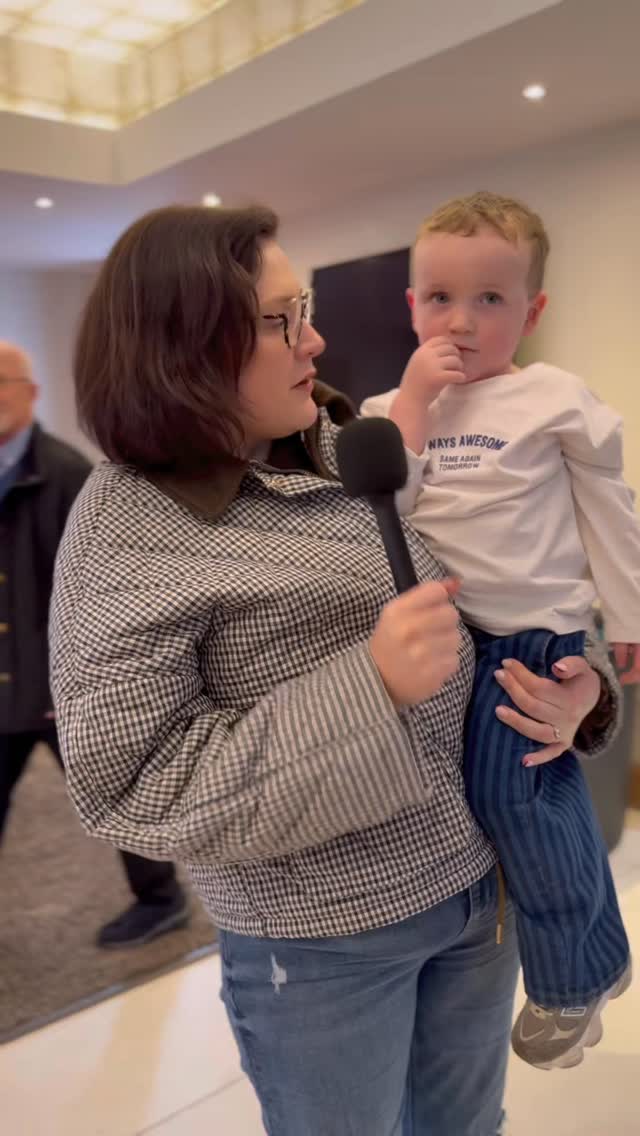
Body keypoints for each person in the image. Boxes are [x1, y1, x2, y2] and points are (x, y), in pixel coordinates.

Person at [49, 205, 618, 1136]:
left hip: (479, 889)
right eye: (279, 320)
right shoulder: (126, 525)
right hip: (326, 941)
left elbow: (512, 583)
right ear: (183, 344)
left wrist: (582, 687)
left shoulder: (354, 444)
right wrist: (373, 686)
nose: (314, 336)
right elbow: (131, 787)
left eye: (301, 306)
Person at [361, 191, 635, 1072]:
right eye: (439, 297)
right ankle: (599, 955)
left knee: (518, 802)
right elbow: (383, 511)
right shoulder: (391, 411)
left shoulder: (551, 397)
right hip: (452, 643)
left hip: (535, 637)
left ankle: (570, 978)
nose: (462, 321)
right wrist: (411, 399)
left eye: (490, 300)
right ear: (411, 306)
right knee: (501, 808)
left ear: (533, 311)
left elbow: (610, 508)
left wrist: (628, 616)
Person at [0, 340, 188, 949]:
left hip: (60, 684)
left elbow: (94, 593)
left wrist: (77, 678)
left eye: (3, 381)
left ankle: (161, 900)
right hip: (4, 683)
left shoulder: (67, 475)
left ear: (31, 393)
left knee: (118, 790)